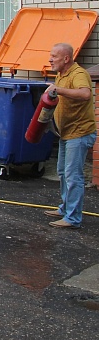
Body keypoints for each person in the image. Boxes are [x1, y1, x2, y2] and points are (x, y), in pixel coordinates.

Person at [44, 43, 97, 229]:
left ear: (66, 58)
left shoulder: (78, 74)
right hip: (66, 133)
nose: (50, 59)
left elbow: (84, 94)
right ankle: (65, 208)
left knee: (73, 176)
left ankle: (73, 218)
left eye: (54, 56)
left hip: (80, 133)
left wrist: (58, 90)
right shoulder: (61, 74)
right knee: (63, 173)